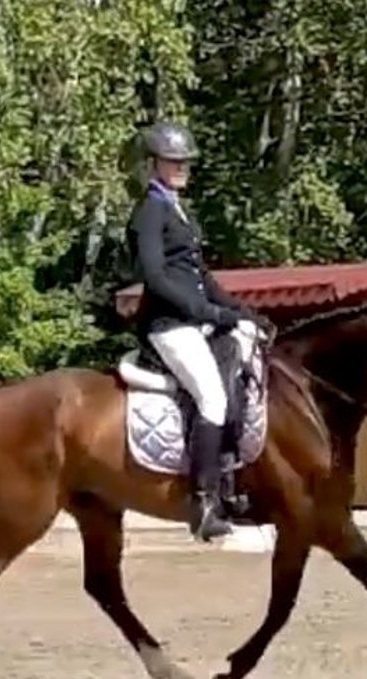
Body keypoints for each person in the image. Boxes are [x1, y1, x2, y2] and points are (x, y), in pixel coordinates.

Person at [126, 121, 270, 542]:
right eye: (174, 161)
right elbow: (156, 277)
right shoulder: (149, 211)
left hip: (195, 320)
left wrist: (239, 311)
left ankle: (232, 481)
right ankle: (204, 503)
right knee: (212, 396)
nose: (182, 167)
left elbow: (200, 276)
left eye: (185, 161)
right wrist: (207, 311)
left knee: (241, 372)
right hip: (169, 325)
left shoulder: (177, 208)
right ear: (153, 165)